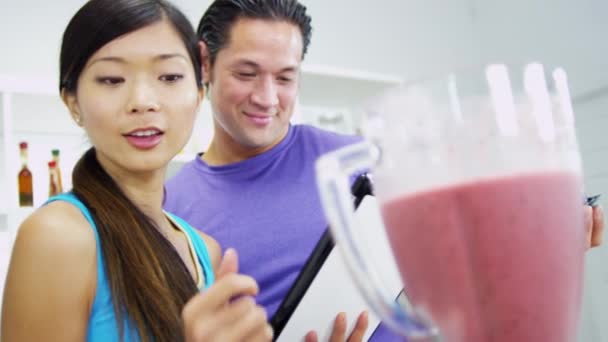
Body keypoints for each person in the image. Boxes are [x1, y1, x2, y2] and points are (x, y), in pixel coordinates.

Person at [164, 1, 605, 341]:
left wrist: (537, 251)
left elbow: (458, 284)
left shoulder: (367, 160)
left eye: (285, 77)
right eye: (247, 73)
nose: (267, 97)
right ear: (205, 63)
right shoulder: (168, 208)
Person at [1, 0, 272, 341]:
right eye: (112, 79)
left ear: (200, 93)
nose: (143, 100)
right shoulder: (58, 237)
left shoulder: (206, 252)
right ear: (73, 103)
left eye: (170, 77)